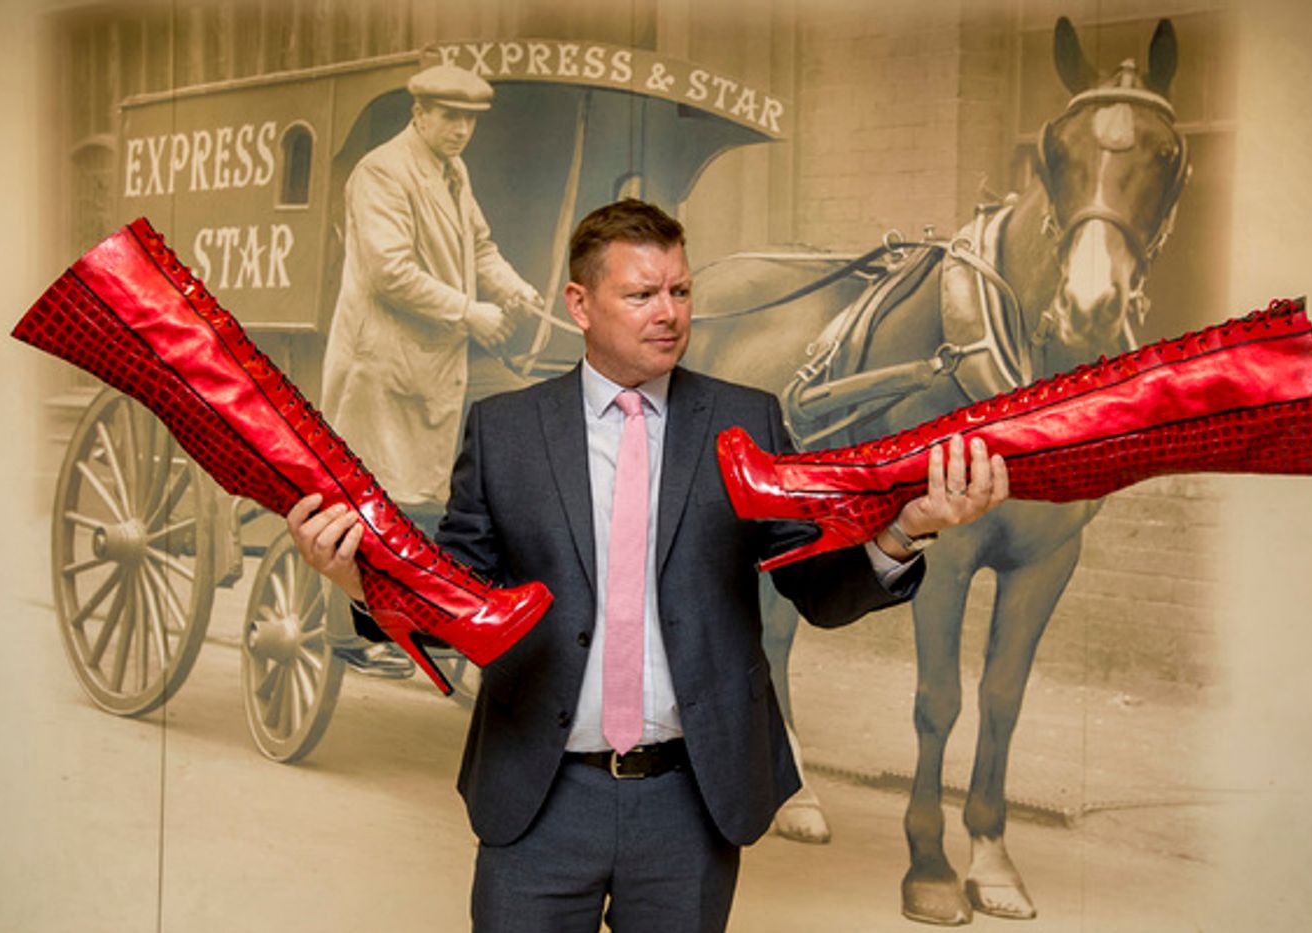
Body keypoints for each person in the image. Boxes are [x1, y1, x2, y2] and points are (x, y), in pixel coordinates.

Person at [289, 199, 1008, 932]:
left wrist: (906, 528)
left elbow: (817, 588)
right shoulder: (505, 432)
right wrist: (359, 581)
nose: (668, 313)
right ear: (580, 303)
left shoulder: (748, 421)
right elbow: (459, 604)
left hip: (688, 807)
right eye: (641, 294)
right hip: (538, 800)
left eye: (680, 291)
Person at [320, 61, 544, 674]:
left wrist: (517, 290)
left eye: (469, 121)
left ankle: (461, 596)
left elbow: (479, 247)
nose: (460, 130)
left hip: (438, 357)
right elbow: (389, 272)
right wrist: (471, 311)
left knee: (507, 433)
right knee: (374, 497)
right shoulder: (382, 173)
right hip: (385, 361)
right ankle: (353, 631)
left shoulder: (452, 171)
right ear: (419, 113)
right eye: (449, 117)